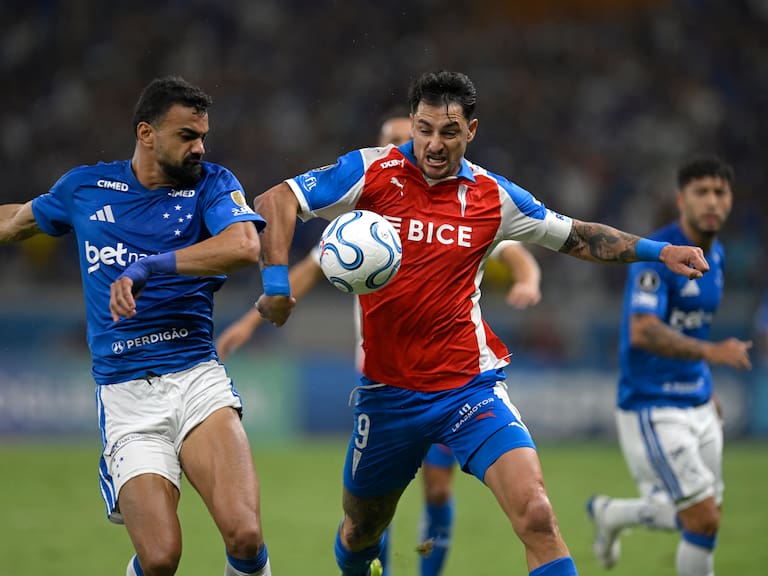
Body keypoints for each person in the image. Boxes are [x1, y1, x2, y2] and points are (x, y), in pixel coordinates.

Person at [252, 70, 709, 576]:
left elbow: (577, 235)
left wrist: (659, 250)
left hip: (467, 388)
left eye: (449, 132)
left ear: (471, 131)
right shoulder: (371, 171)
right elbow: (277, 199)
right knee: (361, 530)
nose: (434, 143)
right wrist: (276, 284)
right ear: (412, 124)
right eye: (424, 129)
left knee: (536, 514)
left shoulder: (494, 196)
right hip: (388, 394)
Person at [218, 112, 542, 576]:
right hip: (382, 378)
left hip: (447, 377)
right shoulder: (357, 224)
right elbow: (303, 274)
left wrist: (527, 282)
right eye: (396, 139)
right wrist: (251, 321)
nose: (408, 147)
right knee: (375, 507)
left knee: (437, 490)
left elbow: (517, 252)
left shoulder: (466, 206)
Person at [0, 77, 272, 576]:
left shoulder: (211, 184)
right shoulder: (84, 188)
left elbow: (243, 246)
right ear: (146, 133)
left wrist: (148, 266)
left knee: (246, 534)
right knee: (161, 557)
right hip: (127, 397)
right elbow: (16, 221)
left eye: (203, 136)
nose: (200, 147)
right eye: (187, 136)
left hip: (195, 377)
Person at [586, 156, 752, 575]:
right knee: (703, 519)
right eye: (702, 192)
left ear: (731, 200)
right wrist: (713, 354)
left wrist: (706, 383)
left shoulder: (720, 256)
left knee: (705, 514)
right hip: (653, 405)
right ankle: (613, 516)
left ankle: (613, 515)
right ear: (682, 200)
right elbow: (643, 330)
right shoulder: (660, 256)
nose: (712, 201)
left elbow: (692, 329)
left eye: (720, 192)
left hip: (697, 399)